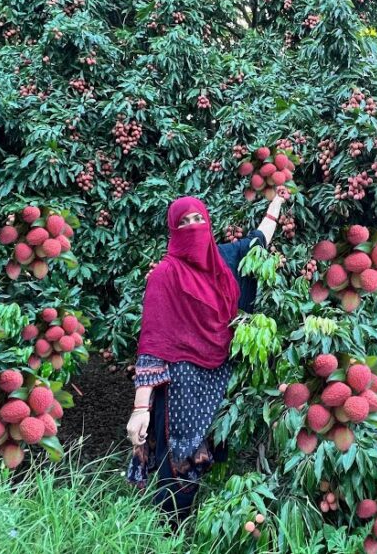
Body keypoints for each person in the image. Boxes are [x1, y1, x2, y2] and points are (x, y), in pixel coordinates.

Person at [125, 193, 285, 523]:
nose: (193, 227)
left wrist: (277, 204)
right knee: (179, 459)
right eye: (183, 223)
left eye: (198, 219)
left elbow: (258, 240)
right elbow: (152, 342)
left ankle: (201, 522)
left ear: (208, 223)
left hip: (222, 377)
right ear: (173, 231)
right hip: (183, 383)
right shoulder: (164, 276)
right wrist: (141, 408)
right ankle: (167, 529)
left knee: (212, 452)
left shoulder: (225, 259)